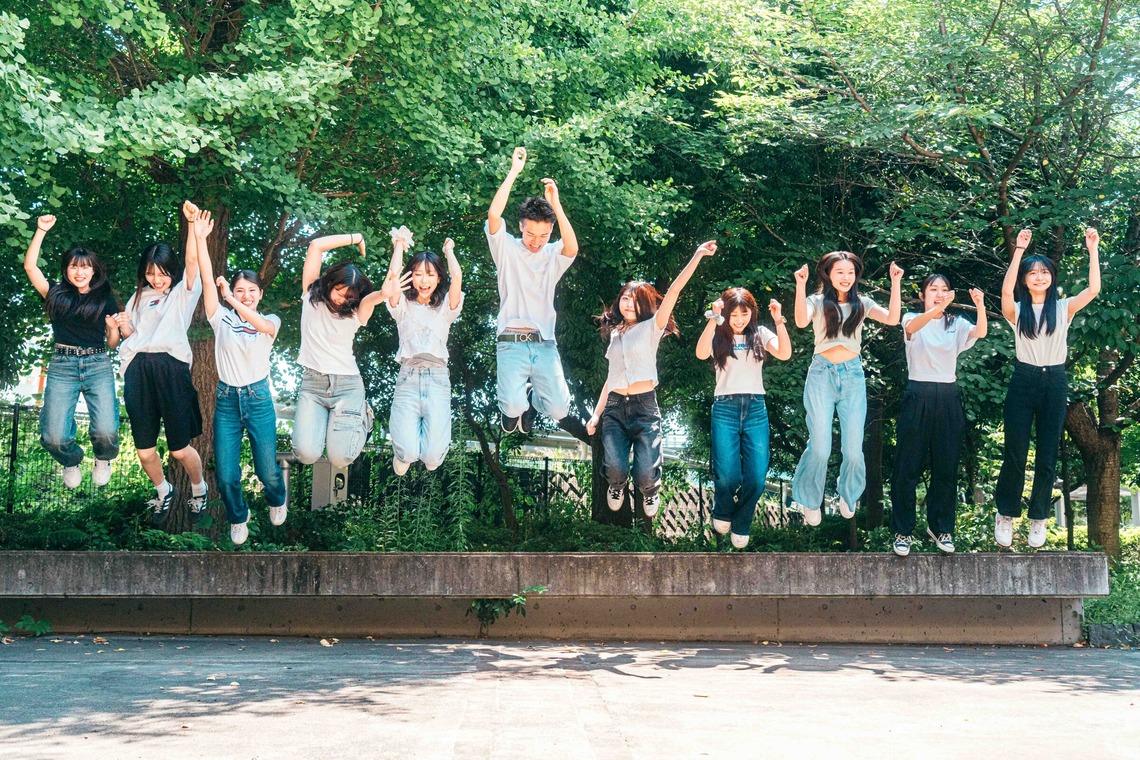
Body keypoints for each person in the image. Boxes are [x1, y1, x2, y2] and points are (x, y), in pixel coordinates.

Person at [587, 241, 716, 518]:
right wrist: (596, 415)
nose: (628, 303)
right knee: (616, 468)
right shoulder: (614, 334)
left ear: (644, 305)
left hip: (645, 409)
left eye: (635, 300)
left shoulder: (652, 327)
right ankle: (616, 486)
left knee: (646, 473)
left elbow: (675, 290)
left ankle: (649, 491)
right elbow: (610, 380)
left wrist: (697, 255)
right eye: (624, 298)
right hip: (614, 409)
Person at [993, 227, 1100, 549]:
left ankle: (1038, 517)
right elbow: (1005, 291)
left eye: (1044, 273)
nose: (1039, 277)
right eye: (1033, 273)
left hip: (1054, 381)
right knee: (1015, 450)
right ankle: (1006, 514)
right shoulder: (1017, 311)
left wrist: (1092, 250)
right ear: (1025, 279)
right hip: (1023, 379)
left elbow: (1093, 290)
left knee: (1047, 453)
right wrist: (1018, 252)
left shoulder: (1063, 307)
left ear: (1051, 277)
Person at [791, 251, 903, 525]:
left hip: (852, 375)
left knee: (853, 449)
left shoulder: (862, 303)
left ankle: (848, 493)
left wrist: (896, 283)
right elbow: (800, 321)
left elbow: (892, 318)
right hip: (821, 375)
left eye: (850, 272)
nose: (846, 277)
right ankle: (809, 499)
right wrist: (800, 285)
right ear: (828, 274)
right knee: (820, 448)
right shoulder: (816, 302)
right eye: (840, 272)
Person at [196, 211, 288, 546]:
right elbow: (208, 281)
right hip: (226, 402)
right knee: (226, 475)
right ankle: (239, 516)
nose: (245, 294)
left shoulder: (270, 320)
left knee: (267, 471)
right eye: (239, 290)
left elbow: (260, 325)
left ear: (259, 295)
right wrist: (199, 237)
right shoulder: (221, 320)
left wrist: (232, 297)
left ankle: (277, 498)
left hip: (258, 399)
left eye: (251, 290)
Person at [486, 146, 590, 441]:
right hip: (510, 342)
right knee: (510, 404)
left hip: (544, 343)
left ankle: (532, 402)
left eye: (543, 236)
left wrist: (556, 205)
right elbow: (494, 215)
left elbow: (572, 247)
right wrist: (514, 171)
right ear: (520, 227)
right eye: (530, 234)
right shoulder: (506, 249)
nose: (536, 241)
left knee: (559, 408)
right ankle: (517, 406)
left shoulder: (552, 255)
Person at [117, 201, 207, 527]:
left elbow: (194, 261)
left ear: (172, 270)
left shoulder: (184, 292)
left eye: (161, 272)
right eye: (150, 272)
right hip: (139, 369)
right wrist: (121, 327)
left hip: (171, 367)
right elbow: (130, 333)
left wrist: (194, 228)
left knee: (180, 449)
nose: (156, 278)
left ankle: (198, 488)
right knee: (144, 451)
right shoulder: (139, 296)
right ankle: (163, 489)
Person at [889, 275, 987, 557]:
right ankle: (903, 532)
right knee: (907, 467)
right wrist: (937, 308)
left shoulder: (955, 324)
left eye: (944, 290)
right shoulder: (911, 317)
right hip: (917, 393)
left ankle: (941, 528)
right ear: (923, 294)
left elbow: (979, 332)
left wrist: (979, 305)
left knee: (946, 467)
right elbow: (912, 326)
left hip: (948, 396)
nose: (939, 294)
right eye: (934, 290)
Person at [23, 214, 121, 488]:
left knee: (106, 431)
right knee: (53, 436)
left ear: (94, 270)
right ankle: (71, 460)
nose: (79, 272)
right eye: (73, 267)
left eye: (85, 267)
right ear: (66, 270)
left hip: (97, 363)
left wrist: (113, 328)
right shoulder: (55, 294)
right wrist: (41, 230)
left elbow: (113, 342)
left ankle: (103, 458)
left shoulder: (105, 298)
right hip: (62, 365)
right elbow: (31, 267)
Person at [695, 288, 792, 548]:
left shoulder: (760, 334)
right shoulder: (718, 333)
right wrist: (713, 319)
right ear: (725, 313)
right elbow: (701, 353)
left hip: (756, 409)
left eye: (744, 313)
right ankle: (723, 509)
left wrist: (779, 319)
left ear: (752, 313)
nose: (739, 319)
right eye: (733, 314)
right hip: (725, 408)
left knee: (757, 478)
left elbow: (784, 353)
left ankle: (742, 521)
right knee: (727, 476)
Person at [291, 233, 385, 469]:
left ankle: (364, 418)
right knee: (306, 454)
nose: (342, 300)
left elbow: (372, 299)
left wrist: (385, 293)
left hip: (347, 386)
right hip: (313, 384)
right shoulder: (311, 295)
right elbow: (316, 246)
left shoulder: (356, 312)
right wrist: (357, 238)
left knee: (340, 458)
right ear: (330, 283)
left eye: (349, 297)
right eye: (339, 291)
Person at [383, 226, 463, 475]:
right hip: (408, 377)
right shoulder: (402, 306)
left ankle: (431, 454)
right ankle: (404, 454)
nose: (424, 280)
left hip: (438, 378)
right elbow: (392, 279)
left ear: (439, 277)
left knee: (432, 458)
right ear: (411, 277)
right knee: (407, 452)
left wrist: (449, 252)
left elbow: (458, 279)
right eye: (418, 274)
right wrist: (399, 244)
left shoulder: (446, 309)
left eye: (429, 274)